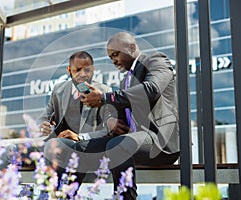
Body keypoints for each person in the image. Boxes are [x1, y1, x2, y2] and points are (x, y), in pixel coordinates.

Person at [77, 32, 180, 199]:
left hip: (160, 142)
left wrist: (104, 98)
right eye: (110, 57)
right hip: (132, 141)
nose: (113, 61)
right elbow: (119, 105)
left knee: (119, 145)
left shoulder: (156, 61)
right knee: (78, 149)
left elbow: (151, 90)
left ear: (132, 47)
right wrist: (111, 119)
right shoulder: (125, 80)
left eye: (115, 54)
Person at [39, 51, 113, 189]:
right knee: (11, 150)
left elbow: (108, 130)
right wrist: (44, 125)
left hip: (83, 148)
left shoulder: (103, 92)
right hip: (57, 144)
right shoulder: (58, 90)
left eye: (87, 69)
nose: (83, 74)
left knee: (53, 145)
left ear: (93, 69)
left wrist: (79, 137)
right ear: (69, 70)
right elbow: (45, 117)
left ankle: (51, 194)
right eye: (78, 70)